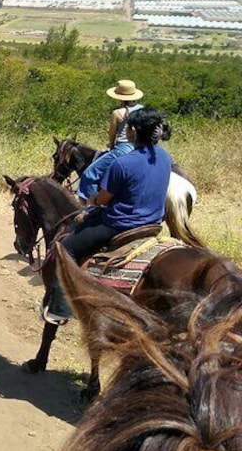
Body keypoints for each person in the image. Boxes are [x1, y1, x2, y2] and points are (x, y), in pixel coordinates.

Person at [45, 107, 173, 324]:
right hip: (152, 222)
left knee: (66, 248)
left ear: (132, 131)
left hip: (120, 223)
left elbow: (103, 200)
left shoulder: (122, 163)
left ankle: (60, 309)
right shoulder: (164, 156)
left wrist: (91, 202)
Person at [77, 80, 144, 203]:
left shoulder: (117, 113)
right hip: (140, 147)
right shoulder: (142, 109)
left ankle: (92, 208)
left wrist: (111, 145)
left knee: (89, 175)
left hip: (122, 149)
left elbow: (112, 134)